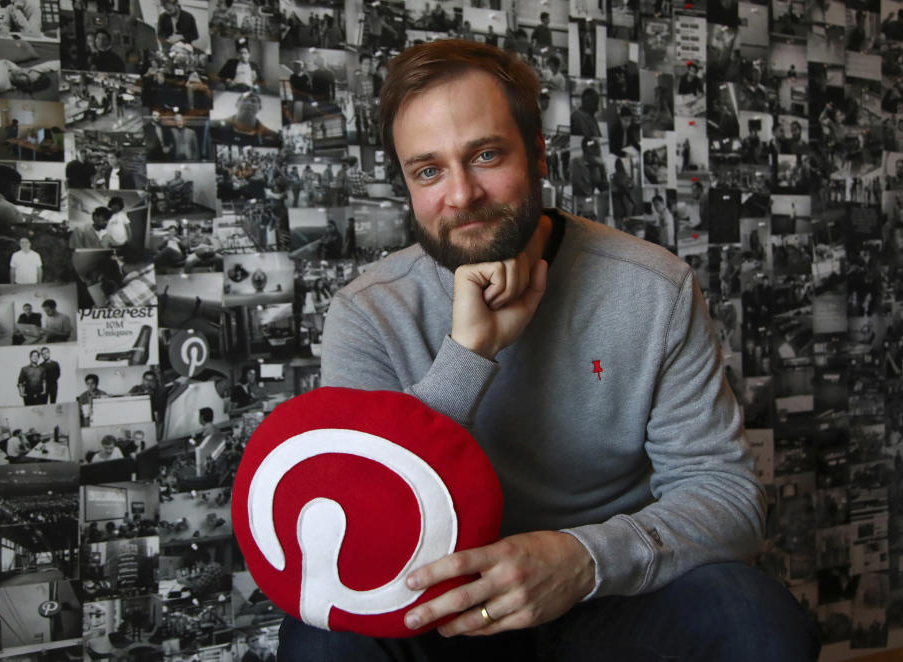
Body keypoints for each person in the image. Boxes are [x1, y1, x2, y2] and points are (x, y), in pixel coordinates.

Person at [279, 39, 819, 662]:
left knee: (755, 618)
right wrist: (467, 355)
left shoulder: (654, 288)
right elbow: (357, 523)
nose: (460, 196)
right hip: (438, 612)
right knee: (319, 640)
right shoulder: (368, 310)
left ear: (537, 152)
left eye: (484, 155)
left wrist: (581, 560)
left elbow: (726, 499)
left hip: (607, 600)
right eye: (428, 170)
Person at [209, 92, 280, 146]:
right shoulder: (213, 126)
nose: (249, 103)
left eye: (253, 101)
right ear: (236, 104)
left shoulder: (273, 136)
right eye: (244, 100)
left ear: (260, 108)